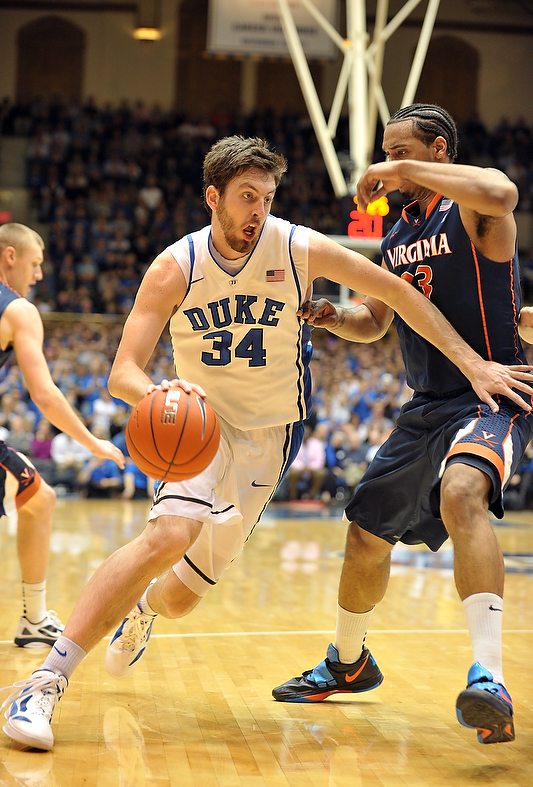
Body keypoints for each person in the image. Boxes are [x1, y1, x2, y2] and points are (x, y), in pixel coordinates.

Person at [2, 135, 532, 752]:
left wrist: (473, 363)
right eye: (246, 197)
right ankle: (46, 680)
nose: (258, 210)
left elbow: (398, 294)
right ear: (213, 198)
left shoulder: (293, 244)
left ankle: (142, 609)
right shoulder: (177, 266)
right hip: (199, 426)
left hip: (271, 436)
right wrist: (157, 395)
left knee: (179, 599)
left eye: (267, 197)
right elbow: (124, 371)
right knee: (167, 534)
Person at [270, 104, 533, 746]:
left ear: (438, 151)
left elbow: (503, 190)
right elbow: (376, 323)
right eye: (385, 153)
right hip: (427, 405)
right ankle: (347, 662)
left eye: (400, 152)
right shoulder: (393, 238)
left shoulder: (471, 210)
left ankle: (489, 678)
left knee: (462, 492)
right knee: (363, 534)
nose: (387, 165)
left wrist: (400, 168)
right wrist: (331, 315)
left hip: (490, 392)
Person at [0, 223, 124, 650]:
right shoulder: (17, 310)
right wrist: (93, 443)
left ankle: (35, 618)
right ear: (10, 257)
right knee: (40, 500)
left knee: (39, 499)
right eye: (34, 264)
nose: (38, 275)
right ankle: (34, 619)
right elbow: (45, 395)